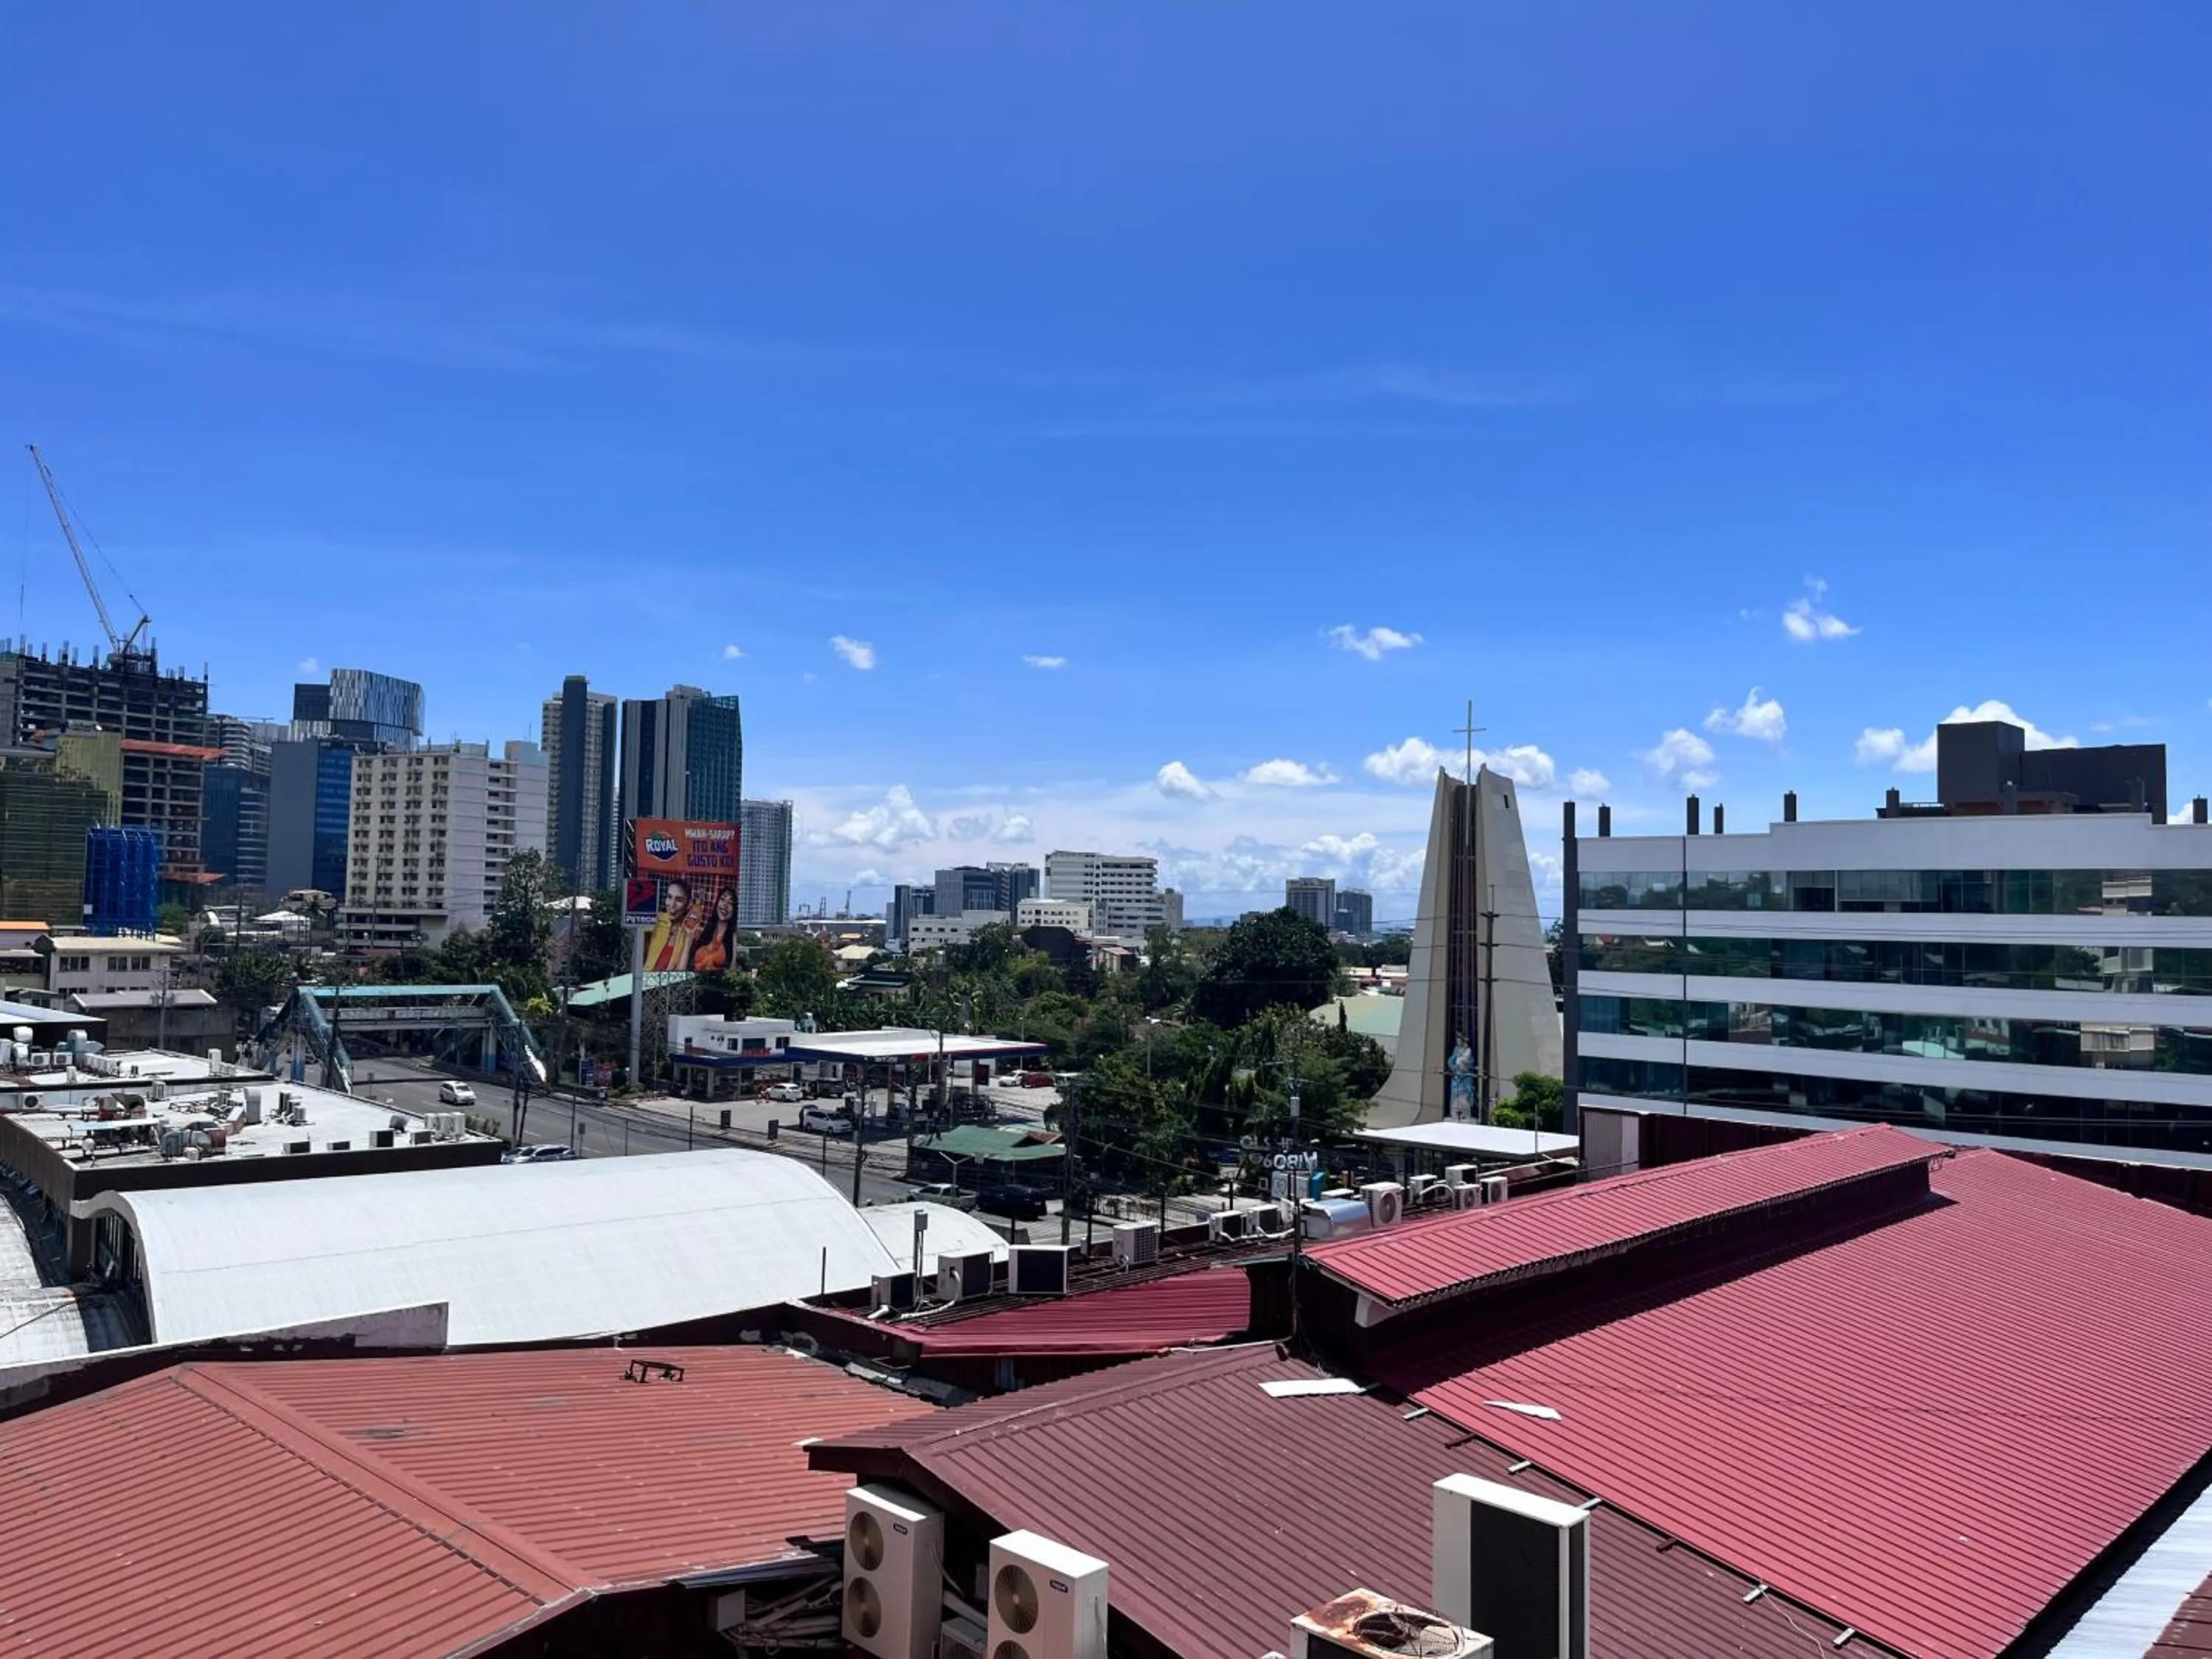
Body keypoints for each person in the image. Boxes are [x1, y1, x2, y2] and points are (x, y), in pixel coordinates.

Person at [644, 879, 698, 972]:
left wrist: (689, 938)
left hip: (669, 984)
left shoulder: (689, 932)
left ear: (689, 904)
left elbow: (680, 974)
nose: (672, 905)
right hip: (644, 980)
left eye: (679, 900)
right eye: (669, 897)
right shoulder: (656, 920)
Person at [690, 885, 738, 974]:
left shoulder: (733, 937)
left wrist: (734, 937)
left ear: (735, 910)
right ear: (717, 903)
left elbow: (732, 971)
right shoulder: (705, 929)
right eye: (722, 899)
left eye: (731, 903)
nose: (725, 905)